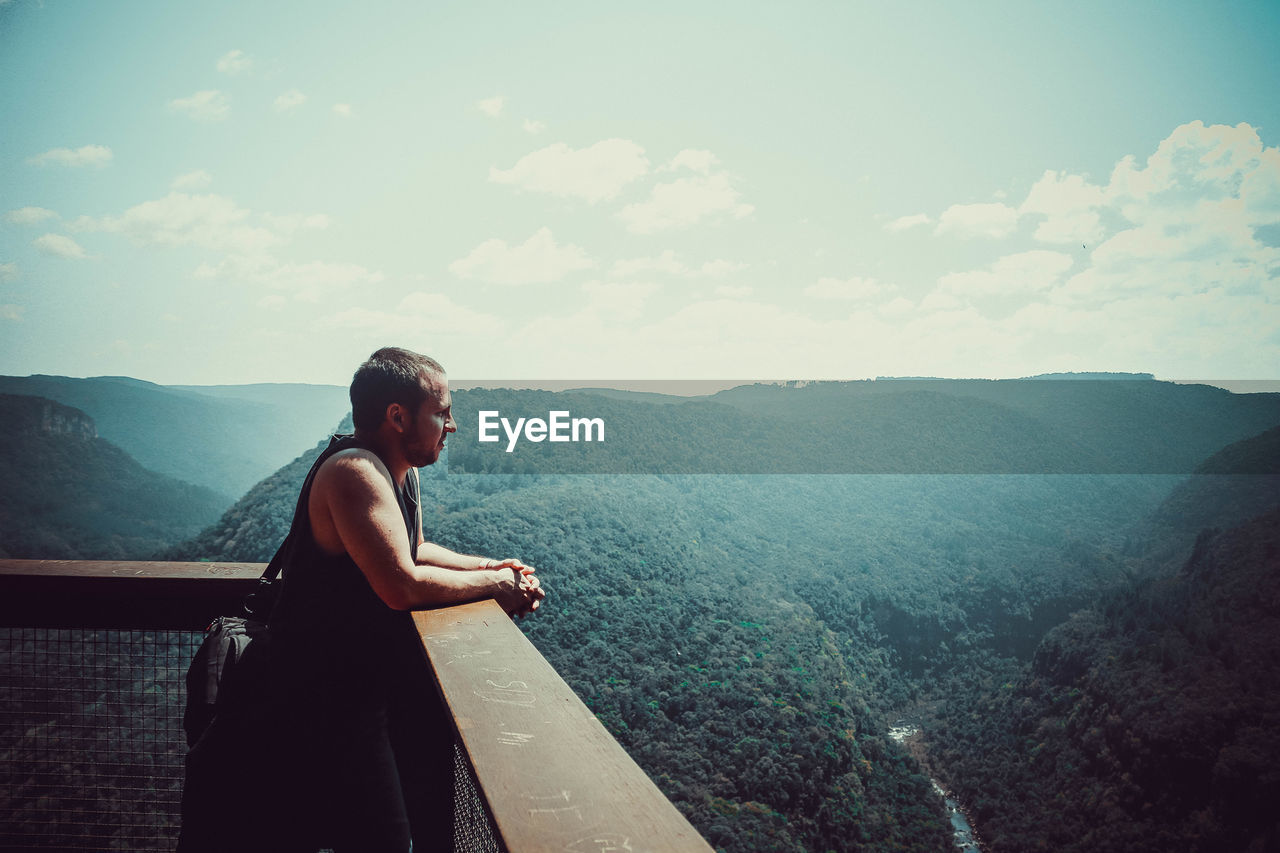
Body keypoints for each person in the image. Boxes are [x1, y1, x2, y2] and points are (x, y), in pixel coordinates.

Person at [263, 346, 545, 851]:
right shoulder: (355, 472)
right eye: (442, 413)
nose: (451, 426)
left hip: (357, 694)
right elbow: (402, 586)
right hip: (319, 702)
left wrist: (491, 567)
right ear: (397, 416)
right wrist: (499, 588)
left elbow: (412, 549)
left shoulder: (399, 473)